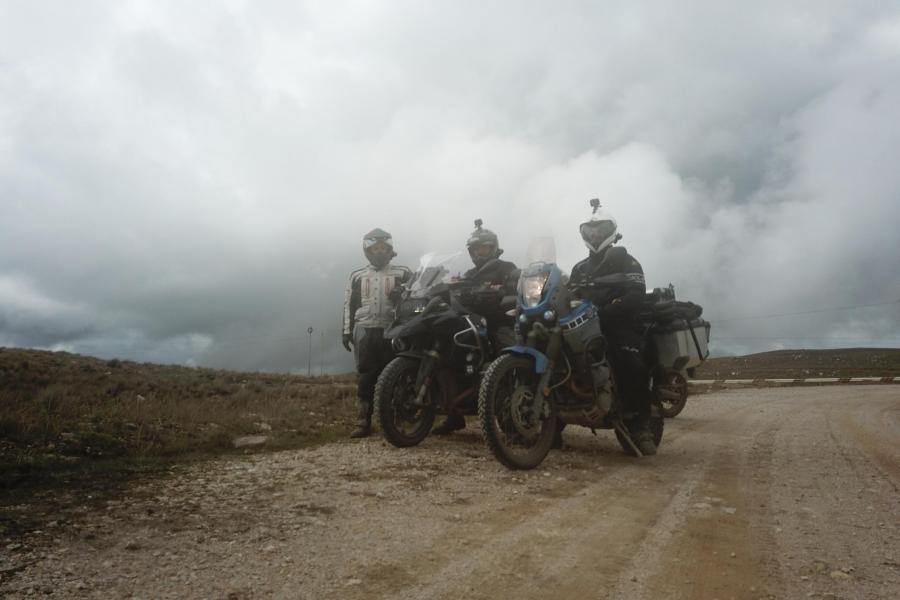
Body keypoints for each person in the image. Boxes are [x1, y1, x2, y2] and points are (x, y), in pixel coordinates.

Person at [569, 200, 657, 456]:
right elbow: (569, 295)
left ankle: (641, 425)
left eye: (599, 230)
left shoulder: (627, 262)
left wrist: (608, 309)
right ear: (584, 233)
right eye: (590, 230)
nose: (595, 235)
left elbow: (636, 294)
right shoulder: (579, 268)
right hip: (585, 327)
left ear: (611, 230)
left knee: (631, 365)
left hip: (619, 324)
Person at [431, 219, 520, 435]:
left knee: (508, 360)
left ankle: (511, 419)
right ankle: (453, 414)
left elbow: (516, 289)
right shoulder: (469, 275)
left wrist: (502, 291)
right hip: (470, 324)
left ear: (494, 248)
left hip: (500, 322)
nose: (480, 253)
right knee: (449, 358)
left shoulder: (507, 268)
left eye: (484, 248)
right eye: (476, 249)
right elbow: (455, 292)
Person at [342, 228, 411, 438]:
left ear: (390, 249)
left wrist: (404, 293)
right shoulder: (357, 276)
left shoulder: (403, 272)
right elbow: (348, 305)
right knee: (366, 376)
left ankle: (396, 420)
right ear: (367, 250)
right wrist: (346, 331)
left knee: (397, 376)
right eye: (375, 248)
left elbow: (416, 297)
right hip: (365, 329)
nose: (379, 252)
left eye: (383, 248)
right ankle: (363, 421)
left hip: (394, 330)